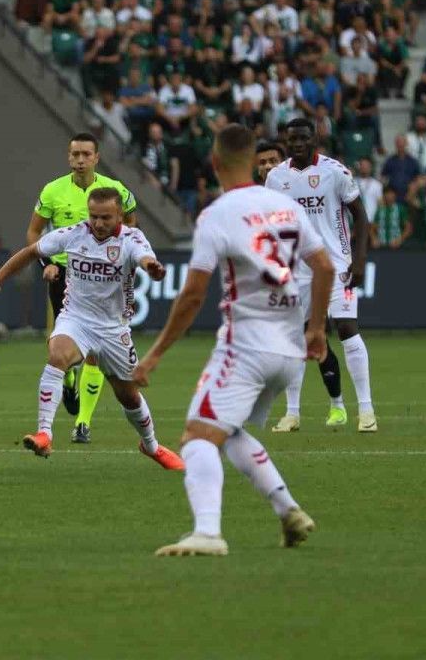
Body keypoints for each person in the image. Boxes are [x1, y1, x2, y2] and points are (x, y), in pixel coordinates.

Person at [132, 124, 333, 556]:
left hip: (246, 345)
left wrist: (155, 353)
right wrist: (316, 329)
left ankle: (207, 533)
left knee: (197, 437)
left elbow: (193, 294)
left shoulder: (218, 213)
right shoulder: (286, 206)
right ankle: (288, 511)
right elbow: (325, 266)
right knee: (229, 429)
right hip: (289, 350)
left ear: (215, 162)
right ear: (257, 162)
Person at [0, 188, 182, 470]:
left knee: (128, 395)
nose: (98, 223)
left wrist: (152, 267)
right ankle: (44, 434)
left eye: (105, 217)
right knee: (57, 356)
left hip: (113, 329)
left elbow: (144, 258)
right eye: (93, 216)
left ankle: (151, 446)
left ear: (120, 215)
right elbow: (30, 252)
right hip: (76, 319)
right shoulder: (74, 234)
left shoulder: (132, 238)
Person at [265, 118, 377, 432]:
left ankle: (366, 410)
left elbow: (360, 216)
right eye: (292, 139)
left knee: (346, 329)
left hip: (337, 265)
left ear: (314, 139)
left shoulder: (335, 172)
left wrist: (359, 259)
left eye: (303, 138)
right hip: (297, 269)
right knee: (297, 337)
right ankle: (292, 413)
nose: (298, 144)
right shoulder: (275, 177)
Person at [27, 132, 138, 444]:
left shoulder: (115, 190)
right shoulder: (52, 191)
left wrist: (123, 256)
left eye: (86, 154)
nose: (80, 160)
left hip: (103, 274)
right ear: (68, 156)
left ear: (96, 157)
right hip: (64, 272)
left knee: (96, 352)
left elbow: (131, 222)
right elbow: (34, 232)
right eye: (75, 154)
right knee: (60, 346)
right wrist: (46, 263)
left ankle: (82, 422)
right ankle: (68, 377)